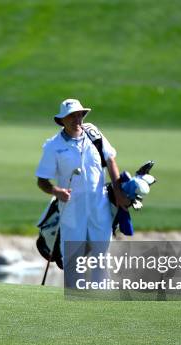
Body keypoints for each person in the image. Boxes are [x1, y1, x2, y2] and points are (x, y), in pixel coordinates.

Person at [36, 99, 130, 288]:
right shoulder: (53, 146)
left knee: (102, 254)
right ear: (62, 120)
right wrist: (57, 191)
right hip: (71, 207)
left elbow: (110, 159)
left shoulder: (93, 133)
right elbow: (42, 181)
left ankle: (100, 300)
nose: (76, 119)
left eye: (79, 114)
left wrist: (119, 191)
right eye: (71, 116)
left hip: (99, 203)